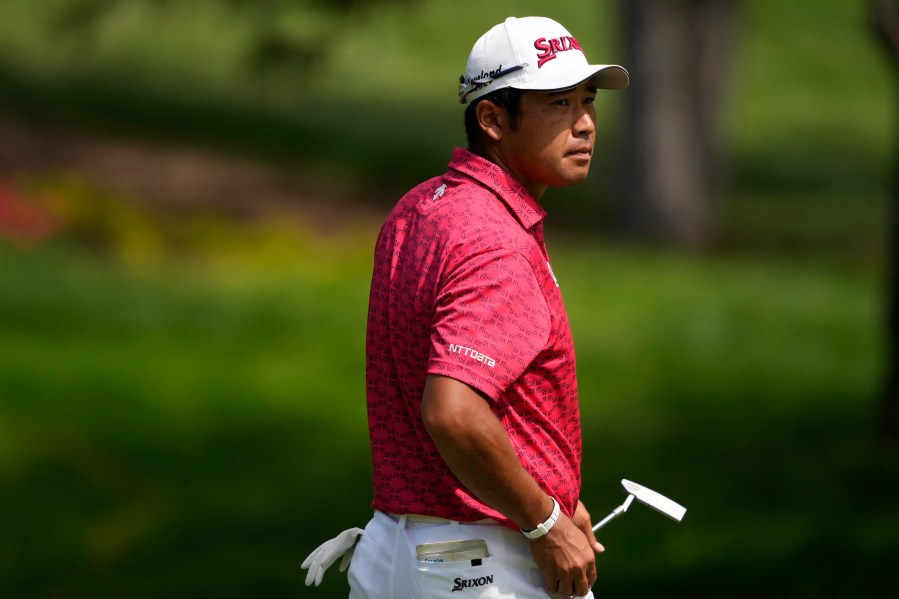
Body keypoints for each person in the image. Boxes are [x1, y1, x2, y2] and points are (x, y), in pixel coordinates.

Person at [302, 15, 628, 599]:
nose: (584, 124)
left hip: (396, 552)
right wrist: (545, 521)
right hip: (483, 568)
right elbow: (453, 411)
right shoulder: (495, 238)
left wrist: (555, 493)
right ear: (493, 118)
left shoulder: (423, 205)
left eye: (587, 101)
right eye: (557, 103)